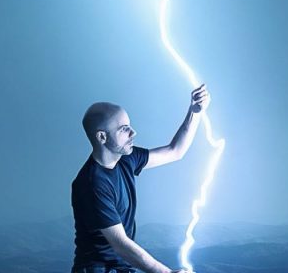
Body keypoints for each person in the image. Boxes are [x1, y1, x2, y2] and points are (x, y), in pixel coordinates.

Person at [71, 84, 211, 273]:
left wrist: (194, 112)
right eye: (124, 129)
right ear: (102, 137)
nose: (133, 133)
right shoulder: (91, 183)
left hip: (121, 268)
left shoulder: (127, 159)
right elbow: (121, 245)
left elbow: (175, 151)